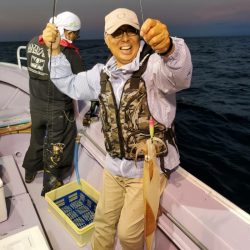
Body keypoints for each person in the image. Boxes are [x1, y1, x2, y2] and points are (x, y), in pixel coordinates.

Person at [43, 7, 192, 250]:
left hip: (146, 170)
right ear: (106, 39)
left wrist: (169, 48)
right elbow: (69, 84)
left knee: (128, 234)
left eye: (130, 32)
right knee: (102, 223)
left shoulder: (155, 67)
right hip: (113, 167)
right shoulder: (100, 75)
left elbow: (181, 76)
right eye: (116, 33)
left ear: (140, 35)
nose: (124, 39)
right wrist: (56, 52)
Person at [22, 11, 84, 196]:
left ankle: (30, 171)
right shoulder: (69, 53)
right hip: (58, 109)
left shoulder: (33, 41)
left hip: (36, 104)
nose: (76, 37)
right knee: (57, 145)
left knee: (37, 138)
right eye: (74, 33)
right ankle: (50, 183)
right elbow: (80, 80)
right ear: (64, 31)